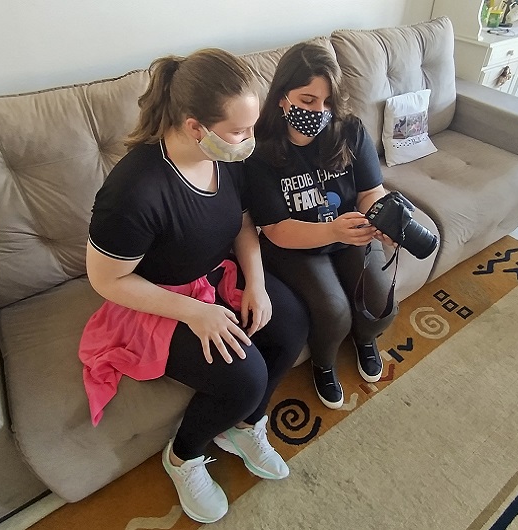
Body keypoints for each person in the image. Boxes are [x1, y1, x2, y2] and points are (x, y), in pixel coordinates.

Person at [78, 49, 308, 524]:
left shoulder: (226, 156)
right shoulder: (134, 191)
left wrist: (257, 283)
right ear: (194, 127)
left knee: (291, 326)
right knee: (245, 378)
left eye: (251, 127)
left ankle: (244, 426)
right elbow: (106, 278)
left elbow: (242, 222)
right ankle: (183, 456)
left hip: (214, 275)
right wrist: (195, 313)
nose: (250, 141)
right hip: (157, 301)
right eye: (239, 131)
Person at [244, 42, 397, 410]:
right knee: (333, 311)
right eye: (308, 100)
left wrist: (383, 218)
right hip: (295, 242)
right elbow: (276, 228)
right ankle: (324, 363)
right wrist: (332, 231)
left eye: (328, 102)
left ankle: (365, 338)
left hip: (349, 231)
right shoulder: (260, 150)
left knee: (380, 304)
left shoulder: (349, 129)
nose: (319, 112)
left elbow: (370, 191)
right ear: (283, 97)